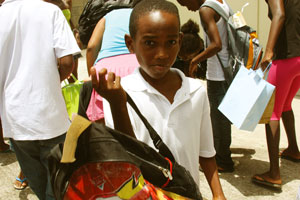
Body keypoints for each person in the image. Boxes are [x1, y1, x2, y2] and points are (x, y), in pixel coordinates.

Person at [91, 0, 226, 199]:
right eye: (150, 43)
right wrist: (118, 104)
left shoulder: (196, 91)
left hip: (187, 194)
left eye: (171, 42)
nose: (162, 54)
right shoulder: (119, 93)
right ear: (131, 44)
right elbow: (128, 157)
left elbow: (206, 151)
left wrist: (218, 193)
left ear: (179, 41)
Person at [0, 0, 80, 199]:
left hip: (16, 120)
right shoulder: (51, 11)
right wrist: (51, 82)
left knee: (40, 186)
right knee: (59, 186)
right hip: (52, 118)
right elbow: (67, 62)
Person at [176, 0, 234, 172]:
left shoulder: (205, 9)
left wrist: (195, 60)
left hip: (218, 72)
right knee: (222, 117)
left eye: (184, 2)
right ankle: (223, 153)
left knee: (218, 119)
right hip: (228, 69)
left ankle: (223, 160)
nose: (186, 7)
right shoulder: (220, 3)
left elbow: (216, 44)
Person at [251, 0, 300, 190]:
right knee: (285, 104)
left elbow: (279, 15)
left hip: (286, 57)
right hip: (298, 57)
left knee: (271, 112)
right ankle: (294, 150)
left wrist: (269, 50)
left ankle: (274, 174)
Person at [85, 1, 141, 123]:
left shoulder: (108, 16)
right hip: (136, 64)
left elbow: (91, 46)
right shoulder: (140, 14)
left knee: (104, 125)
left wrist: (93, 74)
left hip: (105, 70)